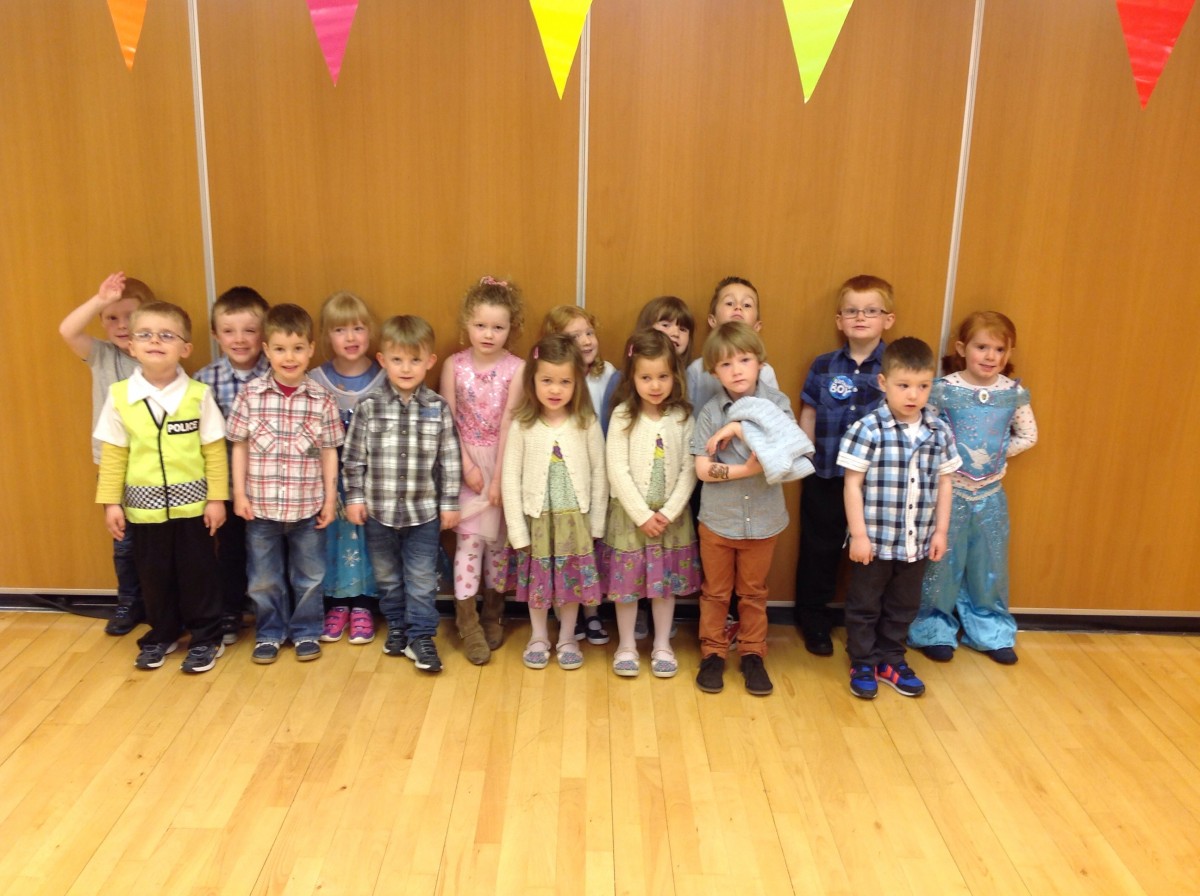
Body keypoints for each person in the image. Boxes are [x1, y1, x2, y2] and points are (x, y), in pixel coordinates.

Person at [92, 301, 228, 672]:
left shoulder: (198, 395)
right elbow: (114, 455)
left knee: (198, 575)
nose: (155, 341)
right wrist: (111, 503)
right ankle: (163, 633)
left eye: (167, 335)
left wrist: (217, 498)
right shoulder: (119, 396)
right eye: (146, 334)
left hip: (195, 512)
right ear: (131, 345)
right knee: (154, 578)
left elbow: (214, 451)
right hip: (143, 513)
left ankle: (206, 637)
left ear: (185, 348)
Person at [908, 312, 1037, 665]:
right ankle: (933, 628)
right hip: (949, 493)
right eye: (982, 347)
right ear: (963, 349)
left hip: (991, 495)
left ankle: (990, 629)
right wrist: (944, 462)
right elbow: (924, 429)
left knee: (989, 563)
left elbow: (1028, 435)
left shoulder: (1012, 393)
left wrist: (997, 455)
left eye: (1000, 349)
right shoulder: (943, 390)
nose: (990, 356)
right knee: (941, 563)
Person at [692, 323, 814, 697]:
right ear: (714, 371)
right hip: (718, 522)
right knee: (715, 593)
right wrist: (746, 470)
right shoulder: (710, 412)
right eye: (726, 364)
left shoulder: (776, 405)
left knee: (753, 593)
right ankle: (713, 653)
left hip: (763, 522)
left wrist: (739, 430)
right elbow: (702, 470)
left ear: (760, 362)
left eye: (744, 360)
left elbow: (786, 450)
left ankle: (752, 653)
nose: (737, 370)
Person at [838, 337, 961, 699]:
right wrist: (859, 535)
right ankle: (862, 661)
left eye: (922, 386)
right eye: (903, 385)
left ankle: (891, 658)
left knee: (903, 605)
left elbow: (945, 483)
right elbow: (851, 485)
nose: (913, 395)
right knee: (864, 604)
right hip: (874, 542)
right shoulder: (868, 429)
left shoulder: (938, 431)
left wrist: (940, 531)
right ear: (883, 383)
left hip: (916, 542)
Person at [343, 315, 461, 674]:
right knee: (387, 576)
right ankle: (397, 625)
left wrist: (450, 504)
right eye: (397, 359)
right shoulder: (369, 406)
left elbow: (449, 460)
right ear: (383, 360)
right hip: (378, 512)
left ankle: (421, 636)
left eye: (414, 360)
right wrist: (354, 498)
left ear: (430, 361)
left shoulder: (438, 408)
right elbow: (354, 458)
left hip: (423, 514)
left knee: (422, 578)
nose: (406, 368)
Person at [227, 304, 344, 664]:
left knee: (310, 575)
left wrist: (330, 500)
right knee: (263, 578)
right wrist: (239, 493)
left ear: (311, 349)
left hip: (307, 508)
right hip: (260, 508)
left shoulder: (322, 399)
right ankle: (270, 633)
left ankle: (307, 630)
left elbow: (329, 452)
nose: (289, 357)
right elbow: (239, 445)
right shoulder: (250, 395)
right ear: (266, 350)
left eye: (297, 349)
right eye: (279, 349)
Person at [794, 275, 895, 656]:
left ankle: (866, 626)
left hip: (876, 482)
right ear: (839, 320)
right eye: (851, 311)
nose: (860, 317)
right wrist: (807, 455)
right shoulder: (824, 365)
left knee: (872, 557)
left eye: (871, 311)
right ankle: (813, 620)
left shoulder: (896, 366)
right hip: (826, 474)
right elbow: (808, 411)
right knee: (818, 550)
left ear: (888, 319)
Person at [500, 334, 607, 671]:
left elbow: (599, 472)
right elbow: (510, 478)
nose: (555, 389)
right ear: (533, 381)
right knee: (538, 582)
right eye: (547, 380)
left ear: (577, 384)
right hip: (537, 521)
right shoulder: (524, 424)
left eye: (564, 382)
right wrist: (517, 530)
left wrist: (597, 523)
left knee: (570, 583)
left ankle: (567, 637)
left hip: (574, 521)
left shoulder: (586, 422)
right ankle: (538, 636)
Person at [60, 271, 155, 635]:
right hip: (114, 466)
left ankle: (160, 601)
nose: (121, 325)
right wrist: (100, 300)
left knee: (155, 539)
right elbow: (68, 331)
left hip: (155, 466)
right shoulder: (101, 355)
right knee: (124, 541)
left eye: (130, 316)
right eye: (111, 317)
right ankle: (129, 602)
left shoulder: (159, 357)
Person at [601, 329, 699, 678]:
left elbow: (690, 468)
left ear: (675, 376)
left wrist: (669, 512)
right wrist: (642, 514)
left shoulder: (683, 417)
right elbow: (617, 469)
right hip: (631, 518)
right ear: (632, 377)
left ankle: (661, 644)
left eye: (663, 376)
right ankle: (627, 644)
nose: (655, 385)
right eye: (646, 377)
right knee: (627, 587)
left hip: (671, 518)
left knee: (665, 586)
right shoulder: (623, 416)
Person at [439, 277, 525, 664]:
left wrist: (499, 480)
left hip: (502, 462)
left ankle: (493, 613)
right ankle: (468, 623)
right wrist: (466, 466)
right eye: (480, 325)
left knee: (498, 547)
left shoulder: (517, 368)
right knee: (469, 544)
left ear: (511, 328)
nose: (488, 334)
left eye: (498, 327)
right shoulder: (453, 365)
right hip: (464, 461)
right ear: (466, 324)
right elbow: (448, 419)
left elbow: (510, 423)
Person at [193, 285, 272, 645]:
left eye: (249, 330)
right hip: (226, 486)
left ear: (264, 333)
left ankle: (274, 611)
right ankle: (230, 609)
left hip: (273, 485)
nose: (239, 339)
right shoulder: (204, 381)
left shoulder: (280, 372)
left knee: (270, 552)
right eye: (229, 331)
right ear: (215, 335)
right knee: (231, 550)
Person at [308, 291, 387, 647]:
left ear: (370, 331)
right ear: (327, 335)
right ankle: (336, 603)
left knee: (369, 542)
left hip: (371, 484)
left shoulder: (386, 376)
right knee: (332, 541)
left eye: (358, 328)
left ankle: (365, 604)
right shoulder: (314, 380)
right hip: (328, 484)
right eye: (340, 330)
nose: (351, 337)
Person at [541, 304, 615, 645]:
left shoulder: (608, 374)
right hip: (563, 477)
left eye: (589, 332)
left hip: (598, 473)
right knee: (562, 550)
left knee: (591, 548)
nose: (586, 341)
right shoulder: (553, 379)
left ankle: (592, 612)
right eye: (575, 336)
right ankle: (564, 615)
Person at [686, 276, 781, 413]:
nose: (738, 307)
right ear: (713, 320)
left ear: (757, 326)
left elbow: (777, 417)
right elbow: (686, 416)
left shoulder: (765, 372)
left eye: (747, 305)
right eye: (729, 303)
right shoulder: (697, 370)